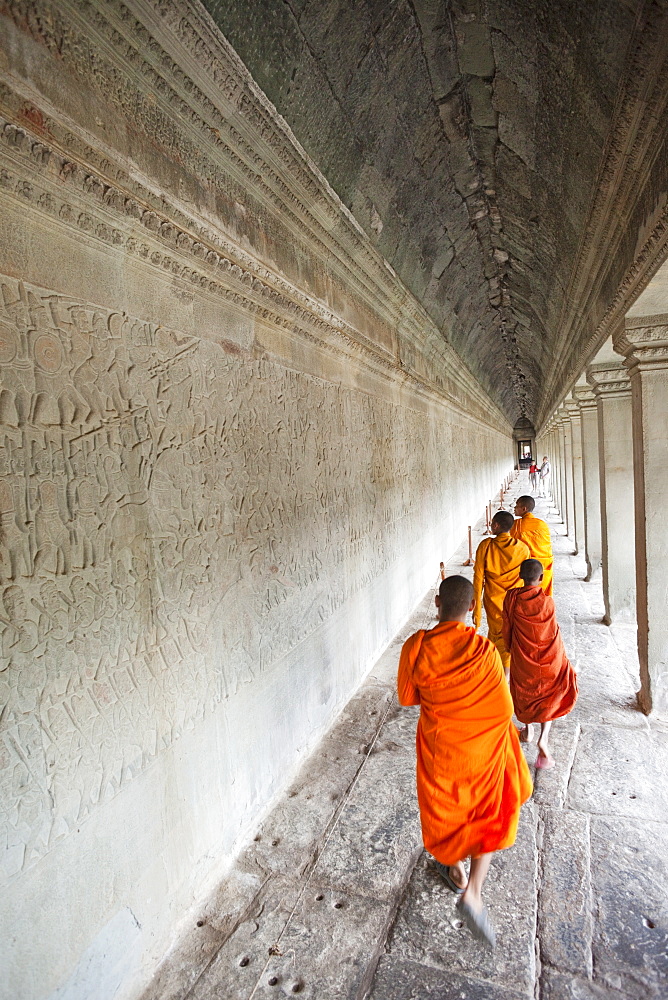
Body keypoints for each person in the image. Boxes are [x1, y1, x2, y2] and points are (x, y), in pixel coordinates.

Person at [398, 575, 533, 947]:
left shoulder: (416, 646)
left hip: (441, 749)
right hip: (481, 752)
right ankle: (473, 891)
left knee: (445, 809)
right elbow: (504, 709)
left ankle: (453, 866)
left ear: (437, 603)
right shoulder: (485, 651)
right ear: (472, 607)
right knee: (487, 813)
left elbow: (408, 698)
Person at [502, 559, 578, 768]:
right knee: (548, 693)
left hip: (523, 654)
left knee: (525, 690)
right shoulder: (548, 602)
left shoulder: (511, 598)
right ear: (542, 578)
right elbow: (552, 632)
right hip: (549, 657)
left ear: (519, 576)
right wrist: (560, 657)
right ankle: (543, 737)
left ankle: (528, 730)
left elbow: (506, 626)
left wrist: (511, 648)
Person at [473, 510, 530, 675]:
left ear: (496, 525)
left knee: (500, 636)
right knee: (507, 635)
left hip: (493, 601)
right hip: (515, 602)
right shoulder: (522, 548)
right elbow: (527, 578)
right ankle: (497, 670)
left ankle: (503, 679)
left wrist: (477, 611)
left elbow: (478, 579)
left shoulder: (486, 545)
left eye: (492, 523)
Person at [510, 495, 554, 596]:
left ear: (524, 509)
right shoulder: (542, 524)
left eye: (517, 506)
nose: (514, 508)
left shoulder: (516, 525)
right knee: (542, 597)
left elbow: (511, 545)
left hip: (528, 566)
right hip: (544, 564)